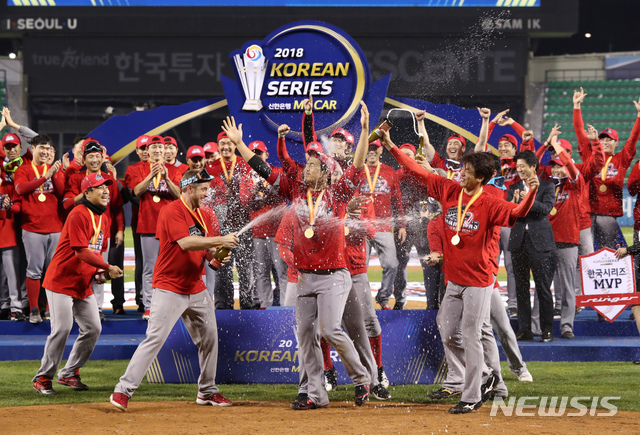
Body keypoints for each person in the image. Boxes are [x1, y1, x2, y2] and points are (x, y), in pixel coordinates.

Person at [379, 125, 538, 414]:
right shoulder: (450, 189)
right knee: (448, 330)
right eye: (461, 169)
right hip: (455, 279)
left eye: (466, 172)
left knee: (472, 334)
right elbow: (417, 170)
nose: (460, 174)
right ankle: (489, 376)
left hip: (479, 281)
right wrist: (390, 144)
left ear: (480, 178)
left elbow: (517, 213)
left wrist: (531, 192)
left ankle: (472, 395)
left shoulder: (491, 203)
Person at [222, 103, 372, 409]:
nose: (309, 165)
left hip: (335, 276)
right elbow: (263, 169)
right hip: (305, 276)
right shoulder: (294, 190)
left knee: (330, 330)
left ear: (328, 174)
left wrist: (366, 131)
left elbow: (356, 165)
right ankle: (315, 394)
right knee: (305, 336)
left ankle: (361, 378)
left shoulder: (338, 193)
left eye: (315, 163)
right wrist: (239, 145)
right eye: (308, 162)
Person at [110, 169, 238, 411]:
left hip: (196, 287)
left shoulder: (207, 213)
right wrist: (220, 240)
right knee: (155, 338)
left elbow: (209, 255)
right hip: (169, 286)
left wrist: (219, 254)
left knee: (210, 338)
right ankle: (122, 390)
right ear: (189, 188)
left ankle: (207, 391)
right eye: (203, 189)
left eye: (208, 188)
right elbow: (186, 243)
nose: (207, 193)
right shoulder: (172, 210)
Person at [32, 172, 124, 395]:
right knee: (62, 328)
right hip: (60, 281)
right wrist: (106, 267)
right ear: (87, 192)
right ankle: (43, 378)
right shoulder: (77, 214)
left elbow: (94, 254)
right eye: (99, 187)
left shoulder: (104, 217)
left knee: (93, 328)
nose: (105, 191)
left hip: (82, 283)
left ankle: (69, 373)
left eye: (107, 187)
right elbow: (81, 251)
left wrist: (102, 275)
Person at [63, 139, 124, 321]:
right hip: (81, 229)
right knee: (79, 269)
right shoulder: (75, 178)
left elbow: (116, 207)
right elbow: (66, 204)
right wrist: (87, 190)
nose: (95, 160)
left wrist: (119, 229)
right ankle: (76, 307)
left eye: (98, 156)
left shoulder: (109, 181)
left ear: (102, 157)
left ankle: (96, 309)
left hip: (102, 229)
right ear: (84, 158)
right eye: (91, 156)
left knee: (98, 271)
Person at [126, 135, 182, 319]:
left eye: (160, 147)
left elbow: (178, 195)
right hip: (148, 223)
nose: (158, 150)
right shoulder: (138, 169)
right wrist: (151, 175)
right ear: (147, 151)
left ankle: (169, 305)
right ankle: (149, 306)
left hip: (171, 225)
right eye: (154, 147)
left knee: (171, 268)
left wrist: (166, 177)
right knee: (150, 268)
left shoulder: (173, 170)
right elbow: (135, 191)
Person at [14, 134, 65, 323]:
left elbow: (61, 192)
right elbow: (20, 189)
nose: (45, 151)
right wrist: (45, 177)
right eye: (41, 147)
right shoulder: (24, 169)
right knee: (34, 270)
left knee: (53, 271)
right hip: (32, 227)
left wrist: (55, 174)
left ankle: (51, 309)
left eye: (48, 148)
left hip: (56, 227)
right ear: (33, 149)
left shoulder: (55, 169)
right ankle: (35, 309)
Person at [508, 150, 557, 343]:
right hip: (518, 242)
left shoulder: (547, 186)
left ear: (533, 167)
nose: (519, 170)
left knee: (543, 288)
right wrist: (515, 203)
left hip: (541, 243)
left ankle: (547, 330)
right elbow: (509, 212)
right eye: (517, 167)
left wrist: (528, 199)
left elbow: (546, 209)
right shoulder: (513, 188)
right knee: (521, 288)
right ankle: (524, 329)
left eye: (522, 166)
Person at [207, 132, 259, 310]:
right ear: (218, 145)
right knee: (222, 267)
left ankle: (247, 302)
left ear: (235, 145)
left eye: (229, 143)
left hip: (244, 227)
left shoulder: (246, 164)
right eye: (222, 143)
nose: (226, 147)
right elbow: (206, 199)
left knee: (246, 267)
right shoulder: (211, 168)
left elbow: (254, 194)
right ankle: (222, 303)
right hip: (221, 231)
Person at [581, 96, 640, 250]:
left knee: (608, 253)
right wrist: (576, 107)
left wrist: (639, 116)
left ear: (616, 143)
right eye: (602, 139)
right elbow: (580, 135)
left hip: (609, 215)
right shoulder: (592, 157)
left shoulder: (621, 159)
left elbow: (633, 139)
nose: (605, 142)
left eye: (610, 139)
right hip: (589, 213)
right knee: (586, 253)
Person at [356, 139, 406, 309]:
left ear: (380, 150)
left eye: (374, 148)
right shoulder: (357, 170)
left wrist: (402, 226)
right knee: (361, 268)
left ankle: (383, 297)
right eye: (368, 148)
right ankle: (362, 301)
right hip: (362, 226)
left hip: (383, 227)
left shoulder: (389, 171)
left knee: (392, 264)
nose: (371, 151)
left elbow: (398, 202)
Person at [246, 140, 288, 309]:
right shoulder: (247, 177)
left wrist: (267, 188)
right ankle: (265, 305)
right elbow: (244, 201)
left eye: (259, 153)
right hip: (258, 233)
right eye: (253, 153)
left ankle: (286, 306)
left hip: (278, 231)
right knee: (262, 273)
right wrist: (253, 192)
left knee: (282, 272)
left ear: (266, 155)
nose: (257, 156)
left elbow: (283, 195)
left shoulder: (276, 172)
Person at [0, 132, 27, 320]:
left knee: (17, 267)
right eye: (7, 147)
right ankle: (5, 303)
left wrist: (16, 126)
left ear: (20, 147)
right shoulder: (2, 168)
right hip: (6, 223)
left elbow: (37, 141)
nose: (11, 150)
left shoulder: (26, 166)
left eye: (14, 146)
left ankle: (18, 305)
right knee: (5, 269)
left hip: (18, 221)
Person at [124, 135, 151, 313]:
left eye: (149, 147)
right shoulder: (132, 169)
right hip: (141, 221)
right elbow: (132, 196)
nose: (146, 151)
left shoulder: (165, 167)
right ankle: (142, 299)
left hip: (163, 221)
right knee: (142, 261)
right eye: (142, 148)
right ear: (137, 151)